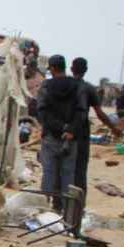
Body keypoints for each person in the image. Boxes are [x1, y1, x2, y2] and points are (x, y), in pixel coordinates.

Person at [36, 55, 83, 209]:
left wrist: (59, 127)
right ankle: (66, 211)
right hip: (70, 138)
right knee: (68, 175)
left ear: (53, 68)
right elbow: (81, 111)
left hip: (50, 136)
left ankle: (44, 209)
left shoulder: (46, 86)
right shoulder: (77, 86)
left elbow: (42, 112)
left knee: (48, 172)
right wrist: (70, 130)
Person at [70, 57, 121, 197]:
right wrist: (113, 128)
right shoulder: (88, 89)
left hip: (62, 132)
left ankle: (58, 201)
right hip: (81, 132)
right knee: (80, 170)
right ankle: (78, 203)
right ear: (86, 70)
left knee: (62, 167)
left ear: (71, 69)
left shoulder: (65, 86)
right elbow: (100, 113)